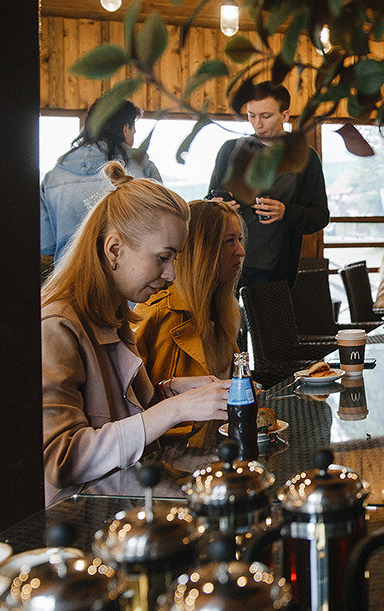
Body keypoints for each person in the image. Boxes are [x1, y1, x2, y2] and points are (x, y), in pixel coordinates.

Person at [41, 161, 229, 504]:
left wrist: (174, 392)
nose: (172, 274)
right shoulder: (56, 325)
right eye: (163, 258)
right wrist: (173, 410)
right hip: (68, 523)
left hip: (121, 501)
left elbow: (121, 417)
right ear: (115, 249)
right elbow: (61, 460)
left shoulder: (112, 313)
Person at [206, 81, 328, 288]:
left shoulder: (305, 158)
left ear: (285, 115)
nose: (257, 124)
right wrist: (216, 206)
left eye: (266, 116)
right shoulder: (230, 150)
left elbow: (320, 217)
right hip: (224, 265)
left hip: (273, 270)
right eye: (251, 115)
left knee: (269, 321)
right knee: (224, 321)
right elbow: (208, 203)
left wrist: (285, 211)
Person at [132, 200, 246, 384]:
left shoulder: (223, 309)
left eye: (239, 240)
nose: (240, 251)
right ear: (201, 249)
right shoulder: (159, 315)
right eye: (229, 241)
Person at [40, 97, 162, 261]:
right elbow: (162, 230)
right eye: (133, 131)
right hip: (127, 281)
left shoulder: (52, 178)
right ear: (126, 129)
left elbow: (46, 245)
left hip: (70, 281)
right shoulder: (143, 169)